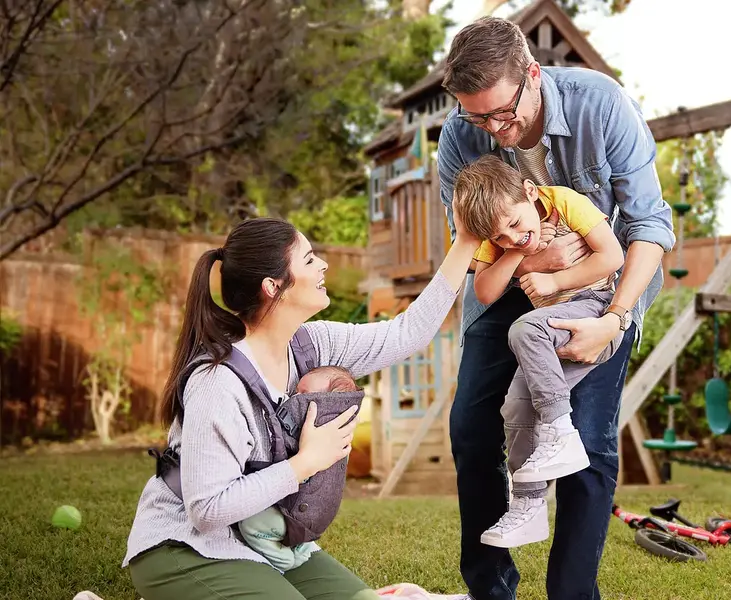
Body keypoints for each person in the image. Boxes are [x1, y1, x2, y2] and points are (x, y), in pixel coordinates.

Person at [437, 16, 675, 600]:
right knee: (471, 427)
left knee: (587, 440)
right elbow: (471, 257)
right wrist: (533, 266)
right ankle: (490, 591)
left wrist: (613, 319)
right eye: (478, 117)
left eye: (503, 111)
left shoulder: (601, 104)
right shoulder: (459, 137)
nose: (494, 129)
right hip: (513, 286)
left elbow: (647, 224)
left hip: (603, 286)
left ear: (533, 75)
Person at [123, 216, 480, 600]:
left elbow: (405, 334)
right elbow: (206, 510)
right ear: (273, 286)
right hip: (187, 546)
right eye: (309, 259)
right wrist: (306, 462)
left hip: (269, 543)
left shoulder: (313, 344)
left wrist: (465, 242)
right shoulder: (217, 382)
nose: (324, 264)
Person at [452, 155, 625, 549]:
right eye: (499, 238)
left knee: (525, 327)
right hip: (552, 335)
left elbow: (611, 256)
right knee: (515, 410)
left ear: (530, 192)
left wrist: (554, 281)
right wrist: (518, 254)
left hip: (593, 310)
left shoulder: (563, 201)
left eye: (515, 224)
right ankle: (528, 509)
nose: (512, 236)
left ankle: (560, 431)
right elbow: (484, 291)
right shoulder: (501, 239)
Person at [237, 366, 361, 573]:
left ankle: (281, 561)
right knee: (299, 532)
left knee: (251, 524)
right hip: (319, 518)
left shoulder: (307, 426)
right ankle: (301, 549)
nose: (294, 396)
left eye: (304, 394)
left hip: (293, 513)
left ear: (328, 400)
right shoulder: (340, 436)